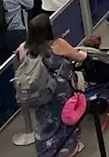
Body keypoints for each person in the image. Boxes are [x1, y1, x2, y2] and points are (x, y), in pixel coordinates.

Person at [20, 12, 89, 157]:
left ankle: (46, 151)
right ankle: (68, 148)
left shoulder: (24, 48)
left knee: (45, 121)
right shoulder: (57, 44)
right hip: (59, 91)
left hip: (38, 92)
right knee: (66, 119)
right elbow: (79, 56)